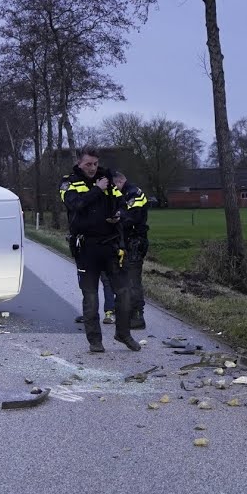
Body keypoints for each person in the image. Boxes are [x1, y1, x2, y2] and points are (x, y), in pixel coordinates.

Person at [59, 147, 140, 352]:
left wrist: (120, 215)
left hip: (111, 245)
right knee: (91, 296)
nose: (93, 168)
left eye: (95, 164)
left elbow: (123, 205)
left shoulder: (108, 179)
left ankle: (123, 333)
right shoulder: (69, 182)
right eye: (88, 164)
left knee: (124, 292)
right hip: (86, 247)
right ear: (79, 163)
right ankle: (95, 341)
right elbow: (75, 205)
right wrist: (97, 190)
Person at [112, 170, 150, 330]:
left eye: (114, 186)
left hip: (135, 240)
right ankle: (128, 312)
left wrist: (116, 218)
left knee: (133, 279)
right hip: (129, 241)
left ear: (120, 181)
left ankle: (137, 316)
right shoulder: (127, 192)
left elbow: (131, 218)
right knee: (126, 278)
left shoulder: (134, 194)